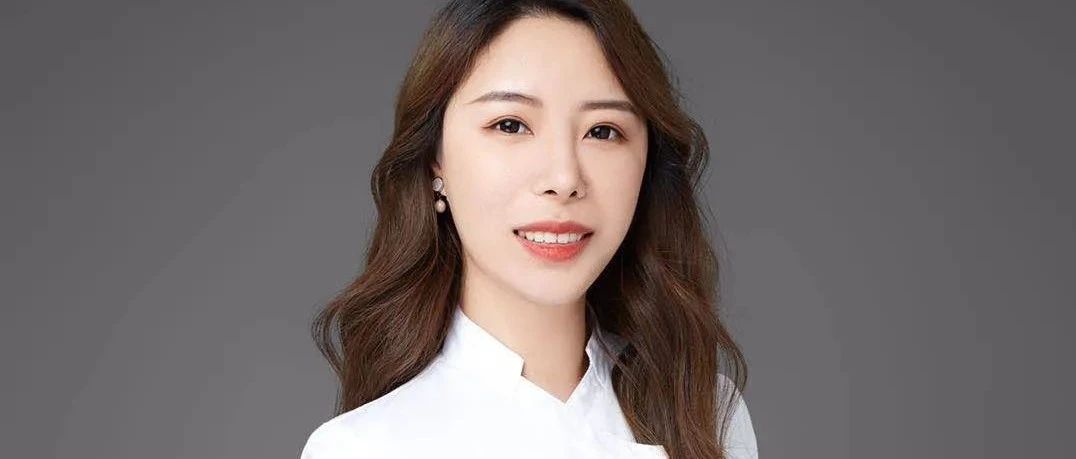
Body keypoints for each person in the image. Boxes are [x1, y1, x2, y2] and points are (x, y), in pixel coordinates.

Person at [300, 1, 758, 457]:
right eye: (511, 125)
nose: (564, 178)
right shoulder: (360, 447)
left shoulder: (708, 414)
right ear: (435, 159)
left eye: (602, 131)